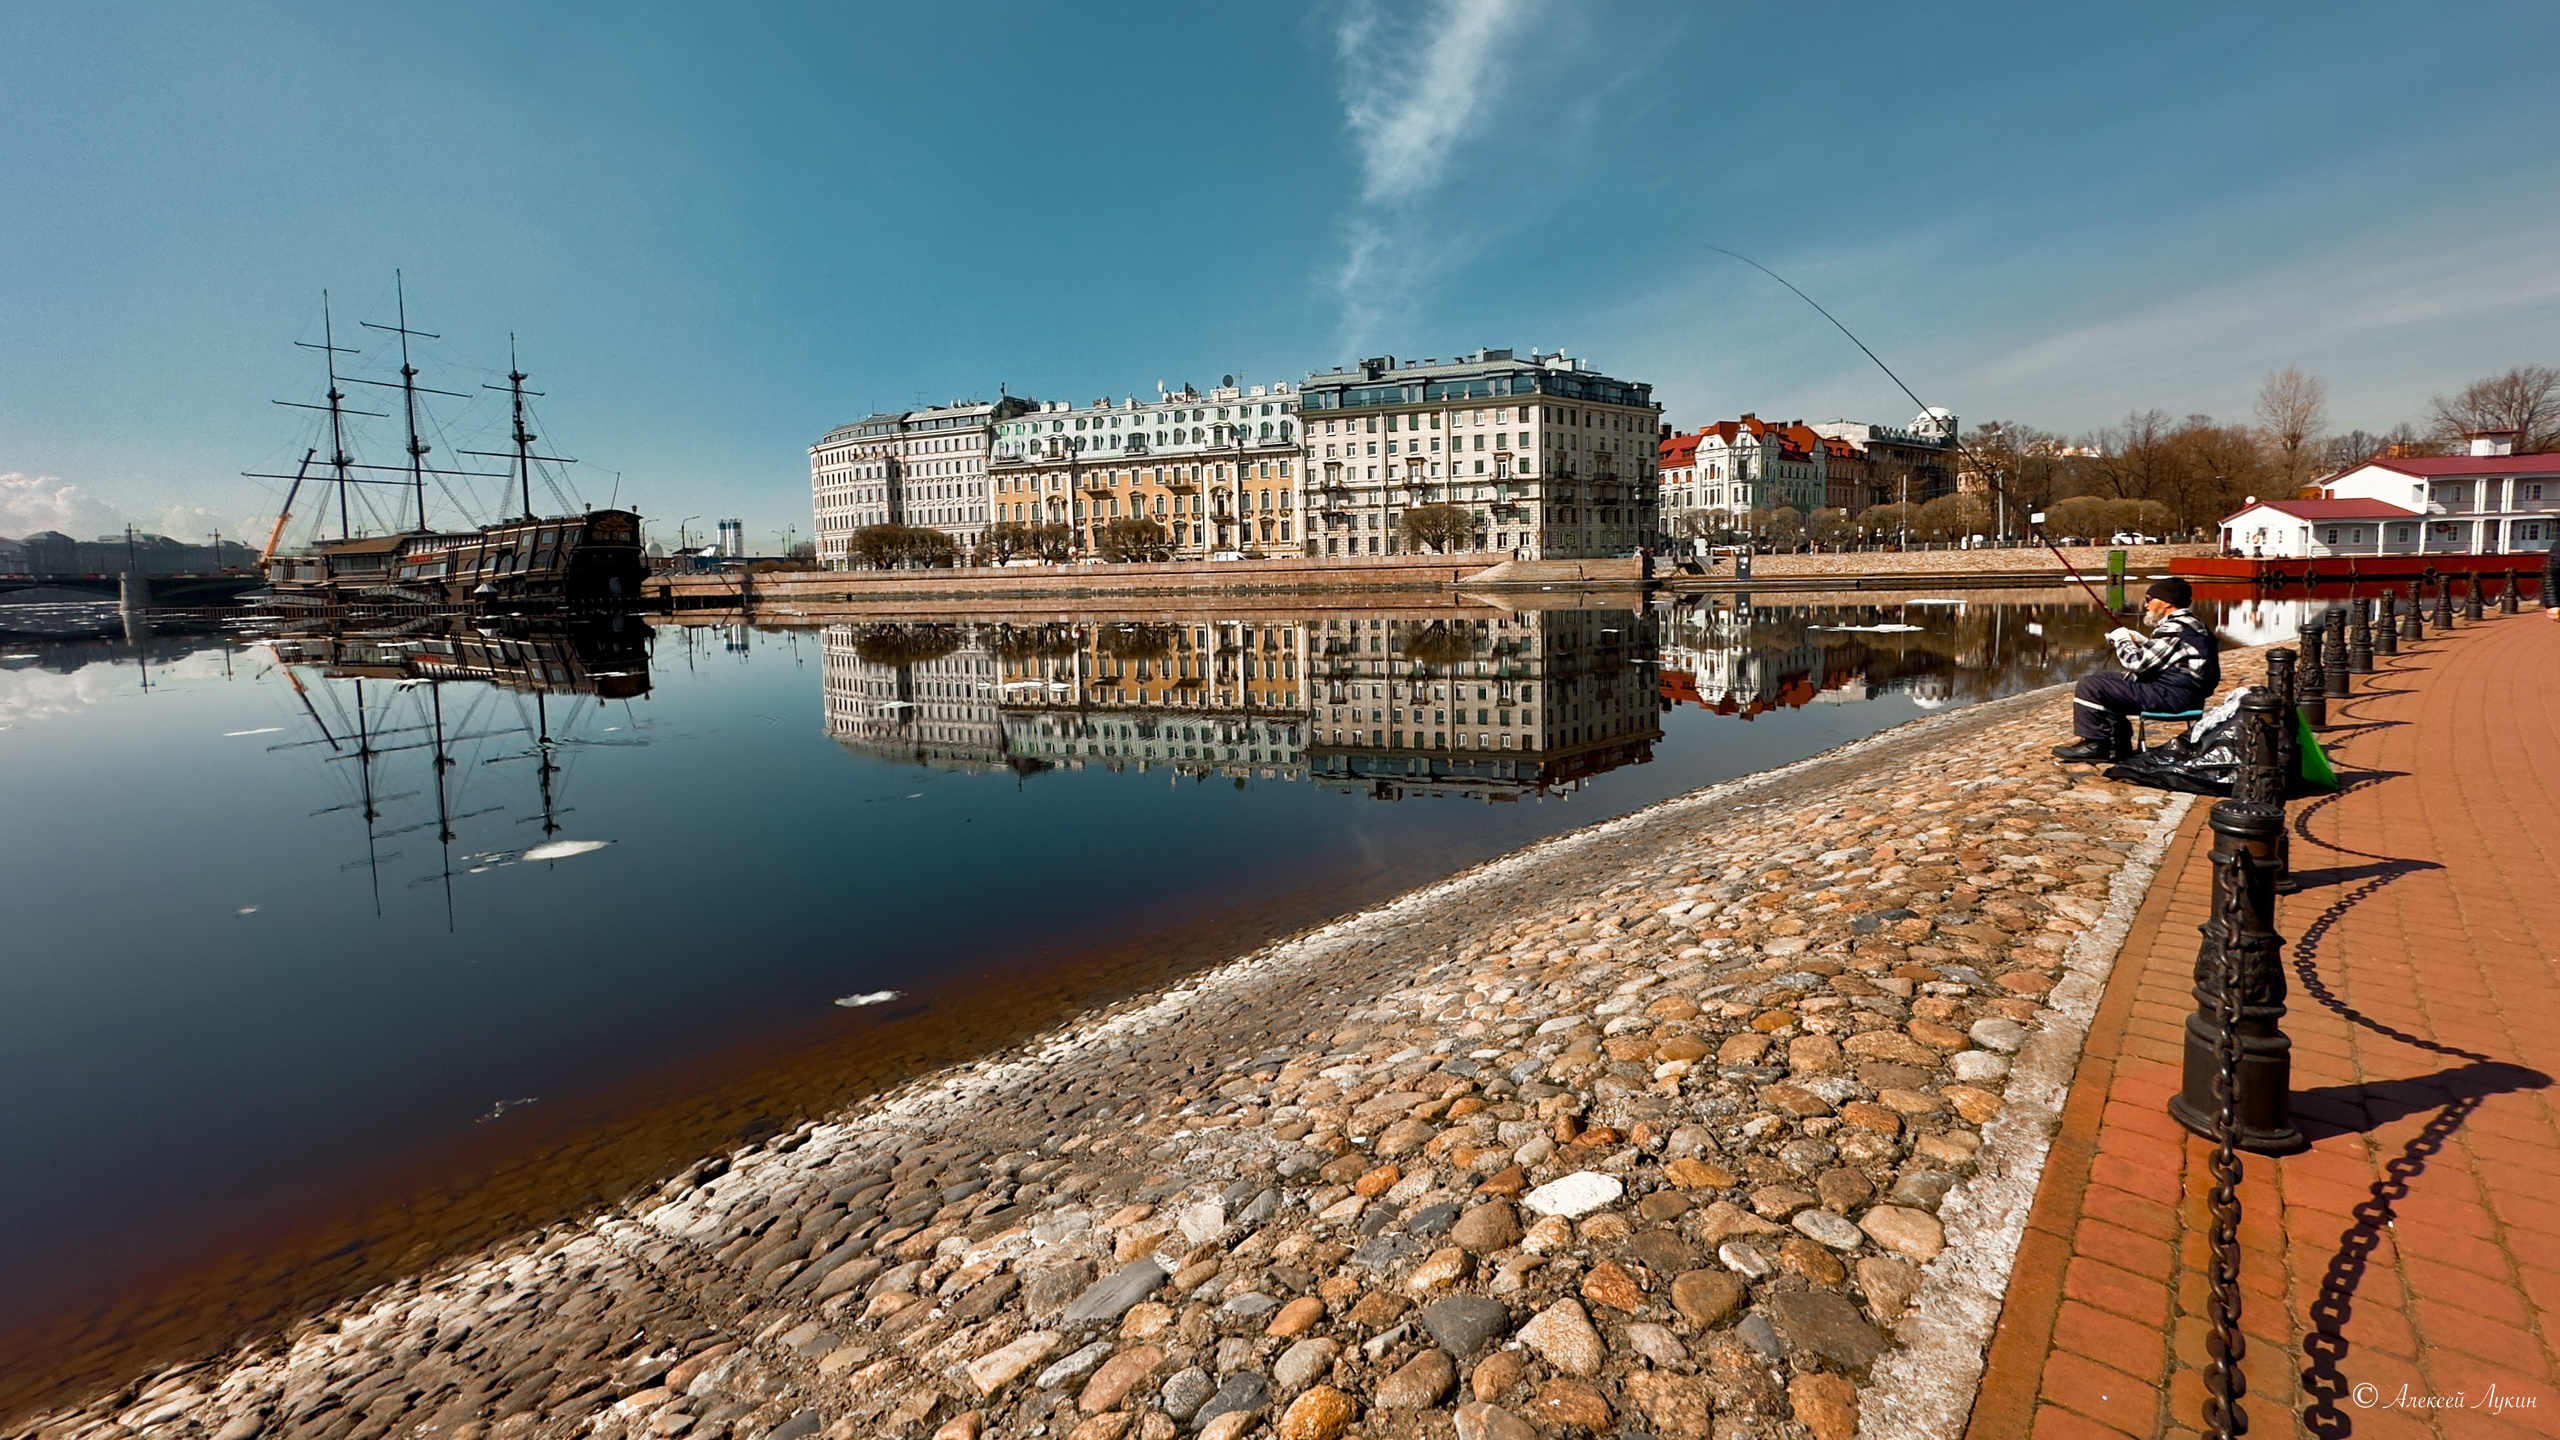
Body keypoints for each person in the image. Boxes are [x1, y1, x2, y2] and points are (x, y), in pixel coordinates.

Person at [2052, 577, 2220, 762]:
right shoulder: (2194, 625)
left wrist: (2122, 640)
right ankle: (2116, 743)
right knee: (2105, 678)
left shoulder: (2174, 627)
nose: (2146, 604)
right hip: (2187, 695)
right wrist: (2143, 642)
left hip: (2174, 697)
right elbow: (2170, 657)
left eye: (2149, 599)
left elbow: (2137, 664)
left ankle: (2096, 744)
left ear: (2166, 602)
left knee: (2091, 685)